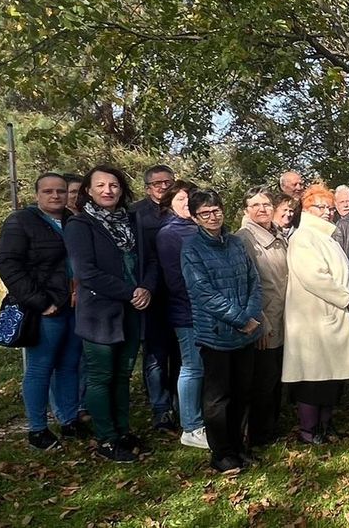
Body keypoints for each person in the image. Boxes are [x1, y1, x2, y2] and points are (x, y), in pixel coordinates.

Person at [64, 165, 158, 462]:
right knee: (101, 376)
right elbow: (86, 272)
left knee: (122, 376)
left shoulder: (133, 221)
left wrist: (146, 287)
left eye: (114, 185)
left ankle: (123, 431)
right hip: (100, 315)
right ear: (88, 191)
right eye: (101, 185)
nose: (108, 190)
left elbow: (151, 261)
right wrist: (129, 292)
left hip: (133, 310)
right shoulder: (80, 225)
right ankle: (106, 439)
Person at [0, 172, 82, 450]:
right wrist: (40, 301)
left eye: (61, 191)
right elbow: (9, 265)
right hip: (45, 308)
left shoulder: (73, 221)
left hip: (73, 306)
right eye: (48, 191)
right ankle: (37, 429)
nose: (55, 196)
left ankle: (69, 420)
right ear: (37, 195)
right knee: (40, 368)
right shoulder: (21, 221)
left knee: (69, 366)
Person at [180, 190, 263, 473]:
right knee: (218, 397)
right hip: (216, 334)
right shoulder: (192, 249)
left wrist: (251, 314)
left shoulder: (236, 243)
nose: (212, 217)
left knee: (243, 391)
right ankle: (222, 452)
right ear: (194, 217)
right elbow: (204, 293)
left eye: (216, 211)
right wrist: (240, 319)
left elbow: (254, 280)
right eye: (205, 213)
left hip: (246, 332)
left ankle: (240, 446)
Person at [283, 186, 349, 445]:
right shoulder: (303, 237)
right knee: (313, 379)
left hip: (332, 316)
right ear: (307, 210)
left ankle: (326, 425)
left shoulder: (327, 237)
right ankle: (309, 430)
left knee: (332, 377)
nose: (328, 212)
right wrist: (345, 298)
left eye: (329, 208)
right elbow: (314, 277)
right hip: (313, 319)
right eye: (322, 208)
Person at [154, 179, 208, 450]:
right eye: (180, 200)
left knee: (202, 367)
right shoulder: (170, 233)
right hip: (186, 310)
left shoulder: (197, 227)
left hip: (207, 310)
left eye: (191, 199)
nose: (187, 204)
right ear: (169, 204)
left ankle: (201, 418)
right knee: (192, 367)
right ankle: (191, 426)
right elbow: (175, 279)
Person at [234, 187, 289, 446]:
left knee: (274, 375)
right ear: (246, 210)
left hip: (284, 315)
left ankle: (271, 427)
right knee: (262, 380)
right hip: (264, 319)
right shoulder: (245, 239)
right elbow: (246, 284)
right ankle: (257, 434)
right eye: (255, 205)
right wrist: (260, 321)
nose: (262, 209)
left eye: (266, 204)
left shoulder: (279, 234)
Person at [132, 165, 177, 433]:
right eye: (157, 183)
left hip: (180, 294)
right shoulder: (135, 213)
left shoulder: (184, 208)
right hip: (152, 293)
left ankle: (179, 403)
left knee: (181, 354)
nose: (163, 187)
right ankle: (160, 408)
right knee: (155, 354)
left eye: (167, 182)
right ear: (147, 187)